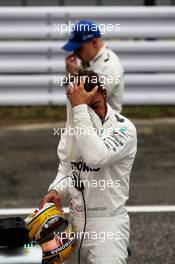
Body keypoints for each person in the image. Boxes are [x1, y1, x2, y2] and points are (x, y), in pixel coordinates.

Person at [39, 70, 137, 264]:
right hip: (74, 225)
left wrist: (80, 108)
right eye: (76, 102)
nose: (90, 112)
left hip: (108, 227)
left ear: (103, 93)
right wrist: (56, 190)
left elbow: (96, 157)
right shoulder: (75, 124)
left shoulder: (124, 128)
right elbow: (68, 168)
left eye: (93, 105)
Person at [62, 20, 124, 113]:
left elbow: (89, 97)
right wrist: (71, 74)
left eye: (78, 48)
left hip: (105, 125)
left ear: (94, 42)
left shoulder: (109, 66)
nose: (75, 53)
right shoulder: (90, 60)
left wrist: (74, 73)